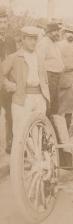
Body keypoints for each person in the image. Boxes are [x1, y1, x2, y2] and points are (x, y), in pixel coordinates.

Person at [2, 26, 50, 139]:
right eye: (30, 39)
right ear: (23, 39)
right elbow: (1, 73)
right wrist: (7, 84)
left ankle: (36, 157)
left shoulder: (39, 57)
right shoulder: (14, 57)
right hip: (22, 99)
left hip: (39, 98)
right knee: (20, 135)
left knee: (38, 135)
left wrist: (45, 97)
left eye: (35, 39)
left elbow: (44, 79)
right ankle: (18, 157)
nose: (33, 42)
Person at [36, 22, 64, 116]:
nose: (57, 33)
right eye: (54, 31)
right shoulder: (44, 43)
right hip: (49, 76)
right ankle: (47, 125)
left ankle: (53, 126)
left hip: (56, 76)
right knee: (49, 102)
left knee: (55, 103)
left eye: (57, 31)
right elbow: (39, 62)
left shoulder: (54, 43)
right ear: (48, 32)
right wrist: (44, 80)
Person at [57, 25, 73, 130]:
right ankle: (58, 131)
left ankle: (66, 131)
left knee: (69, 108)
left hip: (72, 79)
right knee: (58, 108)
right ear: (64, 33)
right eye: (68, 32)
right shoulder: (58, 45)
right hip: (60, 78)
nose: (71, 35)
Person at [0, 6, 17, 153]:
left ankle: (10, 145)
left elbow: (14, 61)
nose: (2, 26)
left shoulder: (11, 40)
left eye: (4, 22)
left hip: (7, 85)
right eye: (0, 22)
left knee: (10, 114)